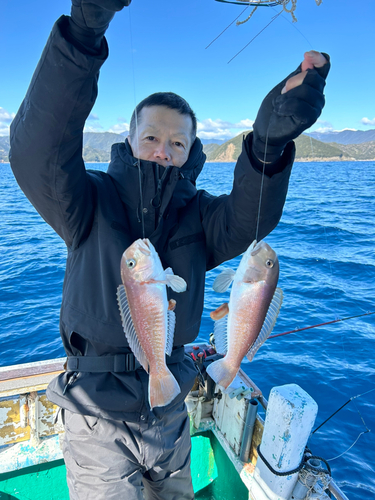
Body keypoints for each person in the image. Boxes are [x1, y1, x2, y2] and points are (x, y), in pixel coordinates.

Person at [9, 1, 330, 499]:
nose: (163, 149)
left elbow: (252, 219)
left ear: (191, 153)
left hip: (170, 412)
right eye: (153, 136)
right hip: (96, 414)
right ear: (130, 139)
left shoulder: (201, 216)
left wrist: (266, 146)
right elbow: (37, 149)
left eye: (178, 143)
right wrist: (82, 33)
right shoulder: (85, 201)